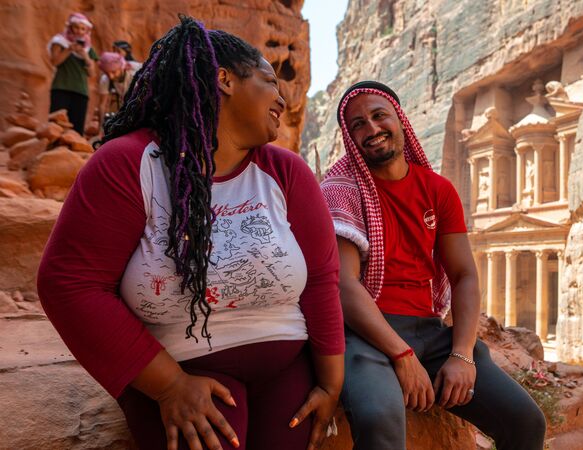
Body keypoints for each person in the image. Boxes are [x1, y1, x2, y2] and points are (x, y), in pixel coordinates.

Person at [38, 16, 344, 450]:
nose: (282, 98)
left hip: (286, 365)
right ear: (225, 79)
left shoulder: (286, 172)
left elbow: (321, 280)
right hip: (180, 368)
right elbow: (70, 284)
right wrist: (169, 387)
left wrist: (331, 384)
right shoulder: (128, 164)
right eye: (269, 82)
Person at [320, 80, 547, 450]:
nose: (372, 129)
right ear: (349, 136)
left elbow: (464, 275)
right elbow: (345, 285)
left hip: (429, 331)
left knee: (525, 421)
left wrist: (462, 354)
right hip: (366, 334)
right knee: (379, 419)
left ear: (400, 119)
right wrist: (402, 356)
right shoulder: (340, 191)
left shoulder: (437, 189)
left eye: (379, 116)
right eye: (358, 124)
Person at [47, 12, 99, 134]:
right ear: (70, 27)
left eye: (83, 28)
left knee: (77, 129)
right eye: (76, 27)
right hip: (61, 88)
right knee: (56, 125)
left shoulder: (88, 48)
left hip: (81, 91)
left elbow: (92, 73)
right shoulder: (59, 41)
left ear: (86, 30)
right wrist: (69, 49)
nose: (79, 31)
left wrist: (85, 56)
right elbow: (54, 62)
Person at [96, 52, 137, 127]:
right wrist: (101, 128)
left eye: (114, 72)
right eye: (107, 73)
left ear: (121, 67)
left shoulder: (135, 74)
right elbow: (102, 105)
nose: (111, 76)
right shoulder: (105, 79)